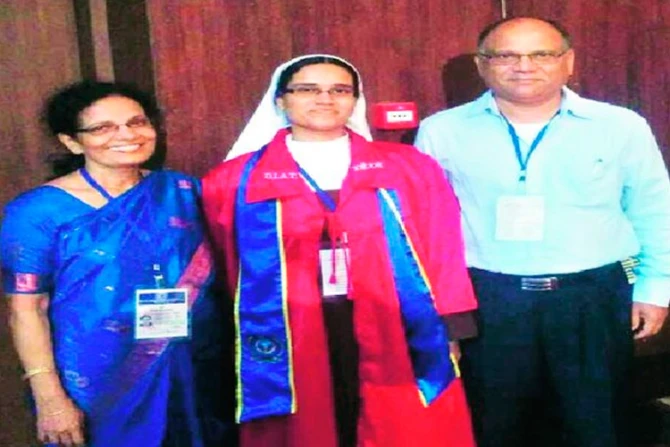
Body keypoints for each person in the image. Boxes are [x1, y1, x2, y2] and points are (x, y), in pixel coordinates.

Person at [415, 16, 670, 447]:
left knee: (597, 422)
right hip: (489, 299)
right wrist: (442, 311)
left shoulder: (620, 125)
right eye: (506, 55)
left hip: (592, 297)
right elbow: (428, 226)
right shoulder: (442, 131)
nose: (524, 65)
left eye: (541, 54)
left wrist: (655, 287)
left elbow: (654, 208)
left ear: (568, 62)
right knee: (496, 422)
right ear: (482, 65)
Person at [202, 54, 478, 447]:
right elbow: (225, 262)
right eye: (307, 89)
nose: (325, 99)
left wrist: (453, 325)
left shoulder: (409, 168)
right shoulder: (233, 180)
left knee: (400, 419)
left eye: (340, 90)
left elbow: (443, 246)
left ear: (355, 100)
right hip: (291, 324)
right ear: (280, 100)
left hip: (396, 319)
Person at [1, 80, 231, 447]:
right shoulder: (37, 211)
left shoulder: (182, 191)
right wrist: (49, 397)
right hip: (97, 375)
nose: (126, 135)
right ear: (71, 142)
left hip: (192, 366)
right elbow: (28, 309)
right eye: (102, 128)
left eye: (137, 122)